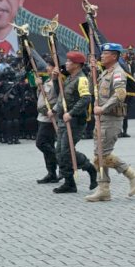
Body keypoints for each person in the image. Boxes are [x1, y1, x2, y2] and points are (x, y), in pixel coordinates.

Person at [85, 42, 135, 202]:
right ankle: (103, 189)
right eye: (102, 53)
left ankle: (133, 175)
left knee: (102, 154)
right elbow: (92, 90)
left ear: (114, 56)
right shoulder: (105, 72)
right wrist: (92, 73)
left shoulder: (118, 73)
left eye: (105, 54)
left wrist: (103, 108)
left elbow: (120, 94)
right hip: (102, 118)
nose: (102, 56)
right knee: (99, 154)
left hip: (111, 117)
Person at [49, 51, 98, 194]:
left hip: (75, 121)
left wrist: (71, 113)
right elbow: (62, 97)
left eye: (69, 62)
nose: (67, 64)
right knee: (60, 152)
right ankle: (69, 183)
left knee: (66, 151)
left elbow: (86, 98)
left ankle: (90, 168)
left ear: (77, 64)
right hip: (64, 120)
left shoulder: (81, 79)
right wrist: (54, 80)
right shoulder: (70, 78)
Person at [35, 55, 59, 184]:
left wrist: (53, 111)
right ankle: (52, 173)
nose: (47, 68)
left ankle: (61, 160)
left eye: (50, 66)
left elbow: (60, 98)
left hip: (50, 119)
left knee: (41, 143)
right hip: (42, 117)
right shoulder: (47, 81)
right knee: (48, 145)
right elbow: (41, 98)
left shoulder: (57, 82)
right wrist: (39, 87)